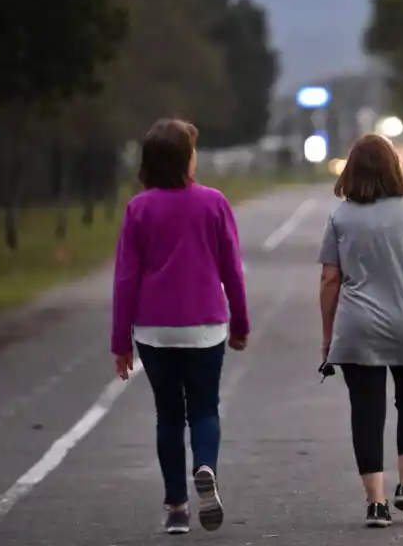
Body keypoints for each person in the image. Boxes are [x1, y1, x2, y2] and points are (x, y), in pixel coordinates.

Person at [110, 118, 250, 535]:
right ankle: (205, 466)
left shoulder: (138, 208)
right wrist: (240, 322)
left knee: (168, 416)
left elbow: (125, 279)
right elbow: (232, 270)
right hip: (205, 325)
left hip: (154, 329)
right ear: (186, 159)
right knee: (204, 408)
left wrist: (121, 343)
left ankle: (175, 507)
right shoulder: (213, 202)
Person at [318, 133, 403, 528]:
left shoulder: (340, 216)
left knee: (366, 411)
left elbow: (329, 279)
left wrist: (329, 336)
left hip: (357, 327)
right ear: (395, 167)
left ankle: (375, 503)